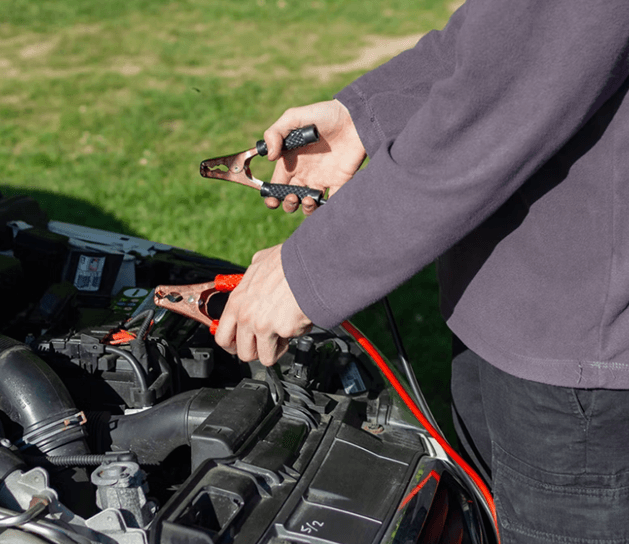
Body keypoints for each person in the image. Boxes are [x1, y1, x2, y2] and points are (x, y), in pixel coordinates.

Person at [212, 1, 629, 542]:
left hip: (581, 366)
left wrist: (306, 270)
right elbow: (502, 34)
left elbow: (494, 109)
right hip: (502, 312)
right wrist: (366, 114)